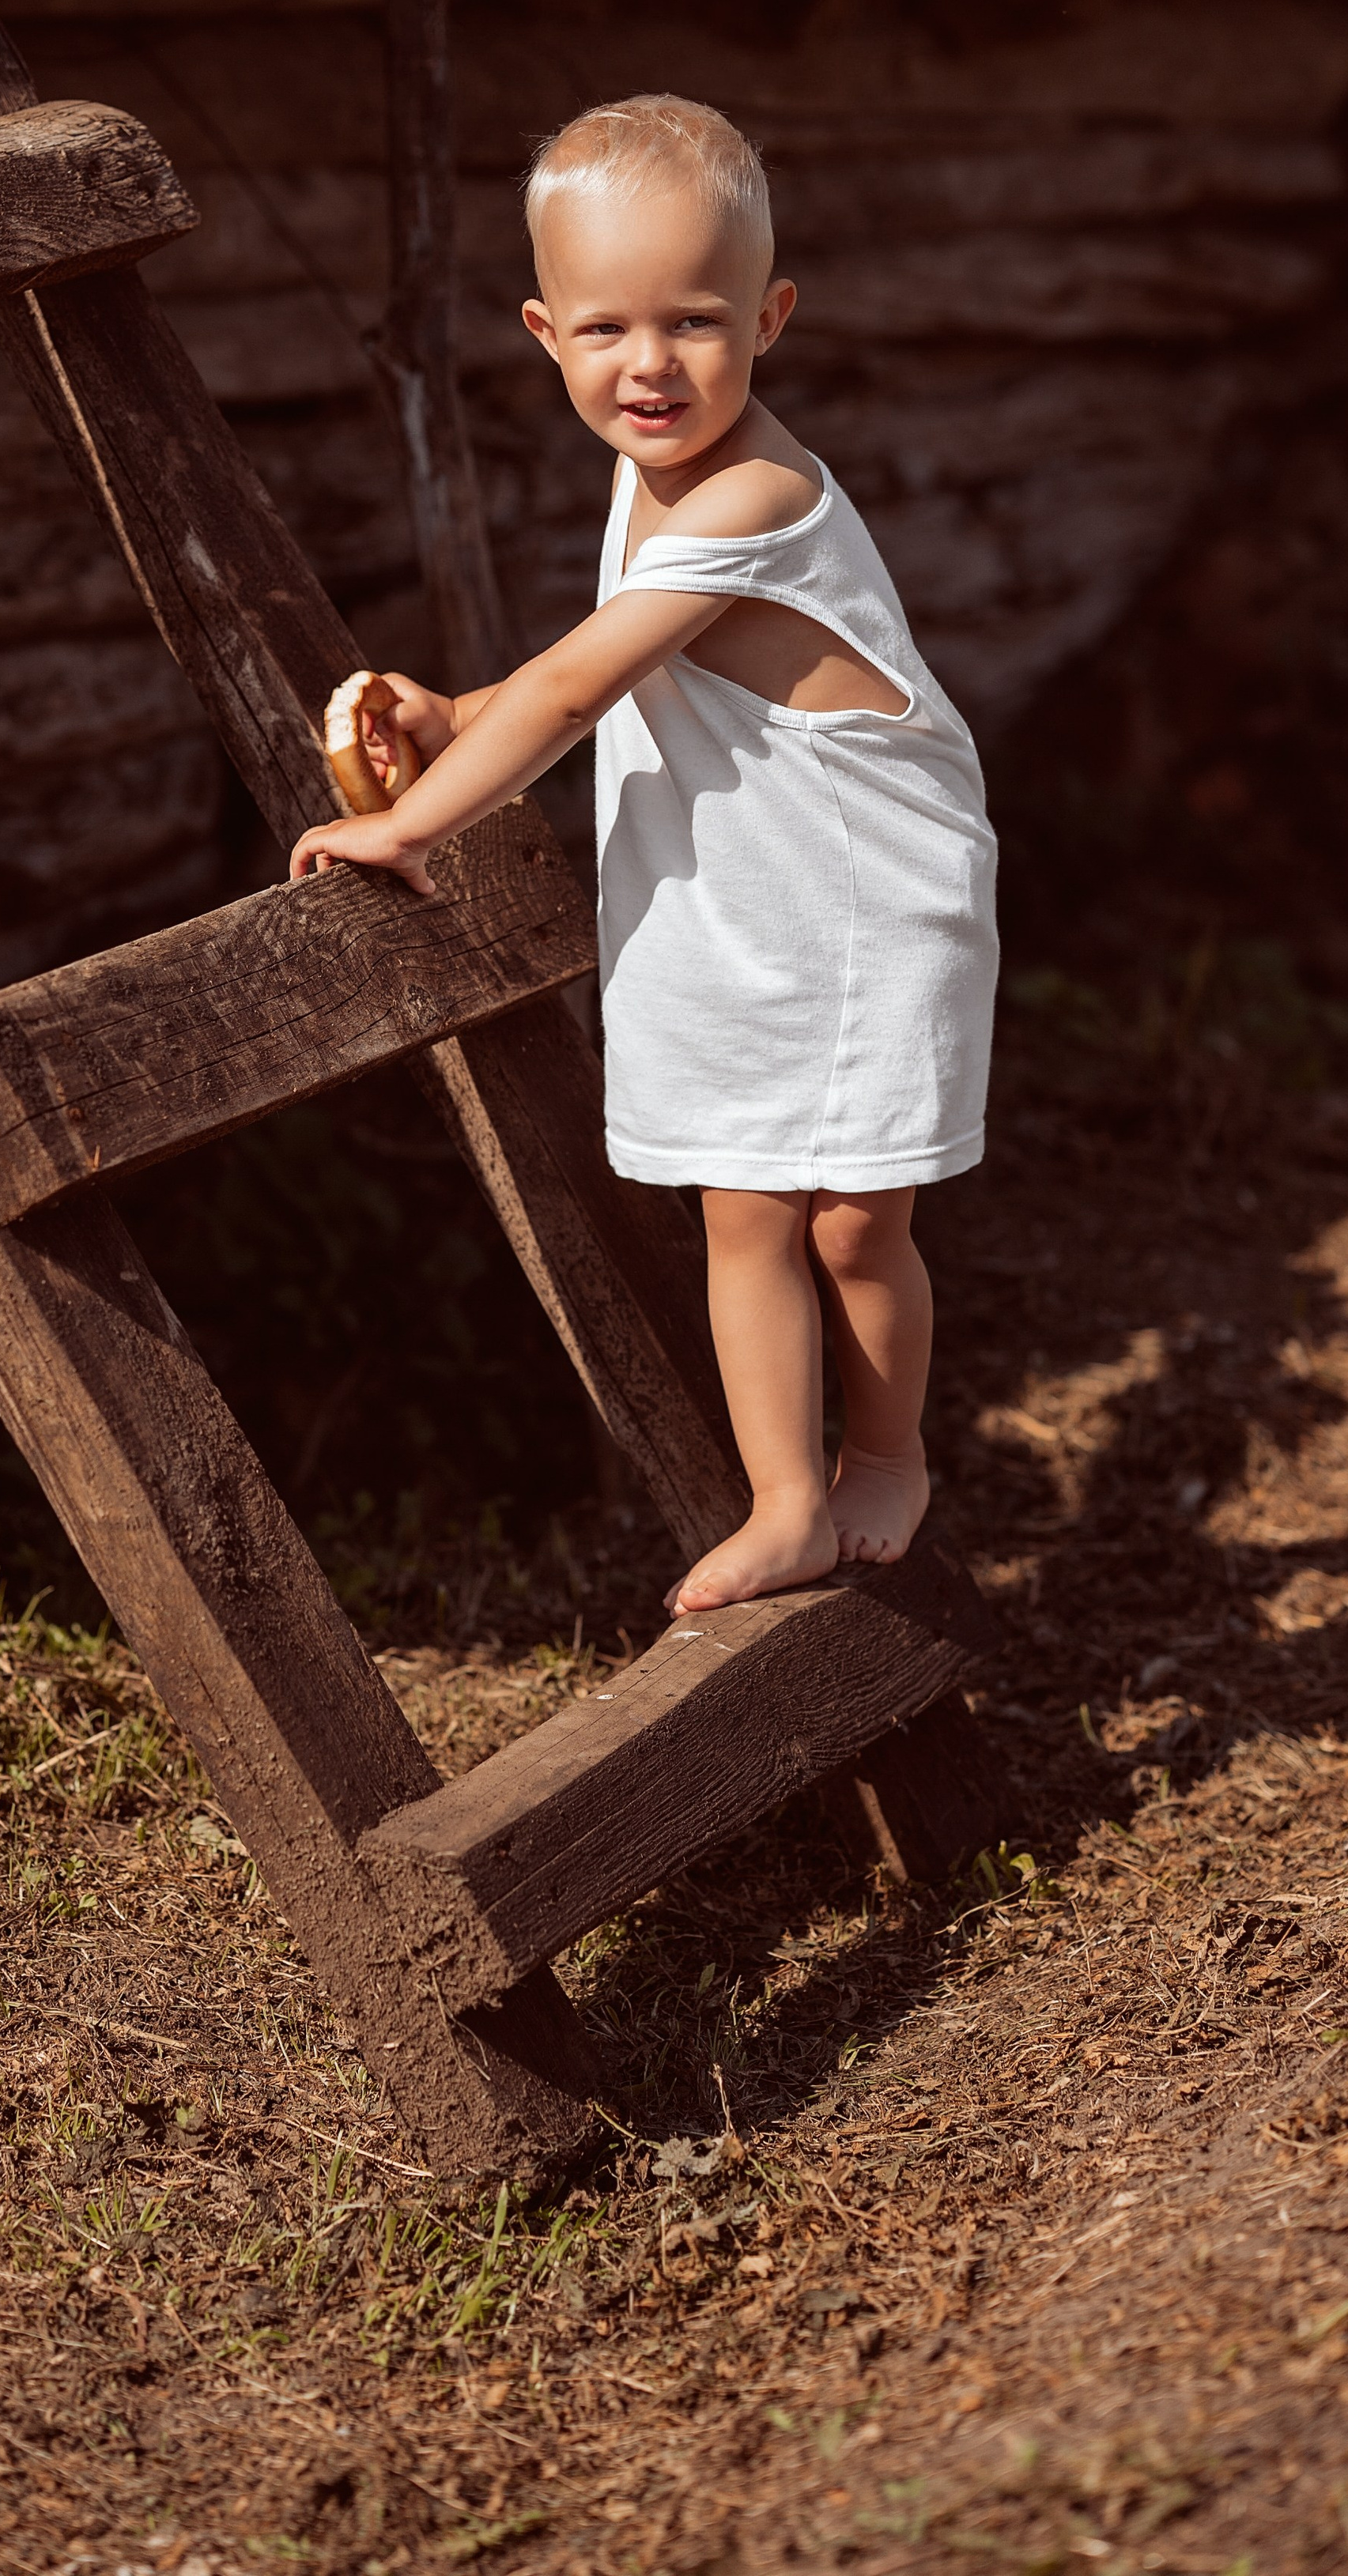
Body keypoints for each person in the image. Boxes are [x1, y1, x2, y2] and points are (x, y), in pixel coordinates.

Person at [289, 94, 998, 1616]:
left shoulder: (756, 492)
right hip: (749, 889)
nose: (650, 365)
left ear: (772, 317)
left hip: (870, 896)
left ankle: (885, 1452)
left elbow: (574, 689)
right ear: (546, 334)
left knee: (857, 1217)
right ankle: (788, 1500)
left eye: (695, 322)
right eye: (606, 329)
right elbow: (607, 661)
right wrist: (452, 708)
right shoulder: (649, 463)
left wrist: (412, 821)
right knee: (741, 1202)